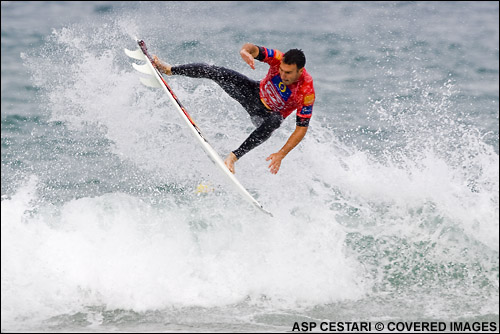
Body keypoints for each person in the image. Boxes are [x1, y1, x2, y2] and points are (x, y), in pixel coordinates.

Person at [153, 43, 315, 175]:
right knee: (217, 71)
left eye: (288, 73)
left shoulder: (306, 91)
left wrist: (281, 154)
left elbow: (301, 129)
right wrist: (246, 51)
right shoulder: (278, 58)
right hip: (252, 92)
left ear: (300, 71)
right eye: (281, 70)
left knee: (275, 120)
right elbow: (253, 48)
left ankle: (233, 157)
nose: (283, 75)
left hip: (265, 116)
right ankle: (169, 70)